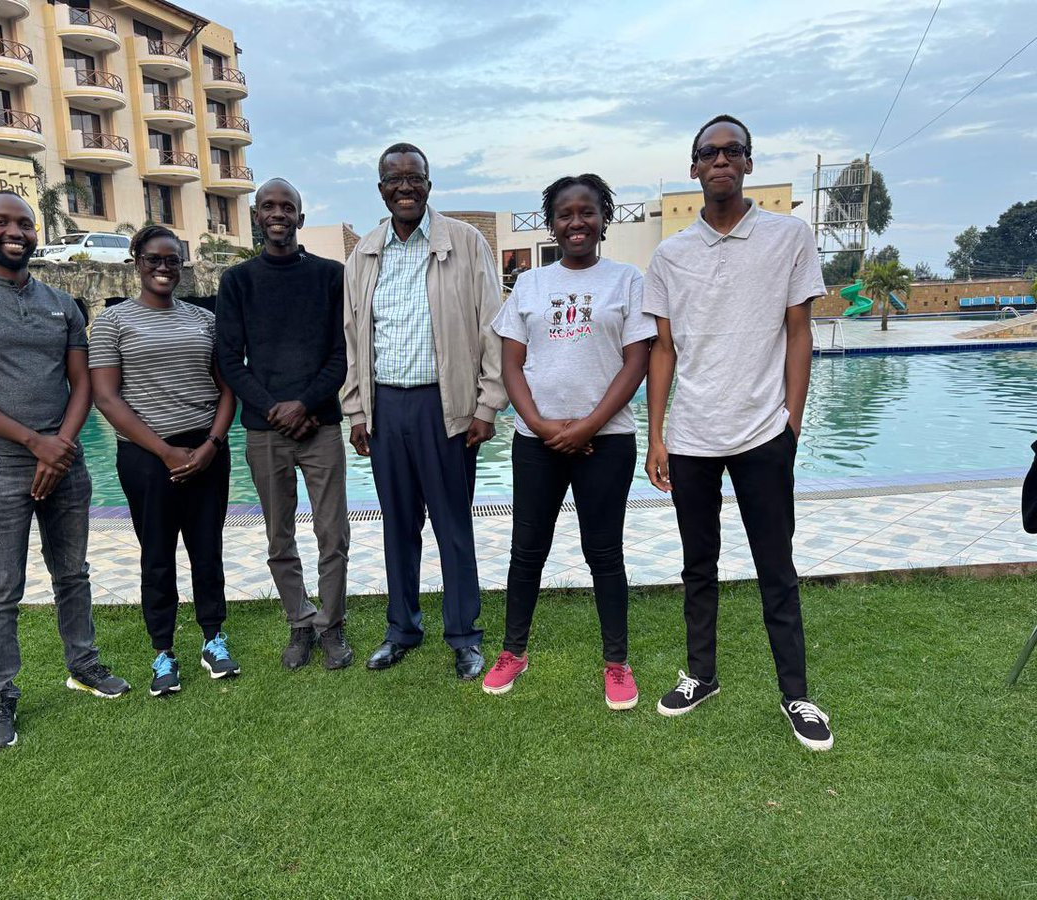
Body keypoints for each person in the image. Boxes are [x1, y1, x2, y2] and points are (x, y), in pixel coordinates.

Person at [644, 115, 833, 750]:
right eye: (709, 152)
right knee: (698, 565)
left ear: (748, 163)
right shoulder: (670, 254)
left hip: (763, 433)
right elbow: (663, 350)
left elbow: (799, 333)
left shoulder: (789, 237)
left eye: (732, 151)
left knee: (776, 566)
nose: (720, 160)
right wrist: (656, 436)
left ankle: (796, 694)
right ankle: (701, 675)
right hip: (691, 436)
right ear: (694, 167)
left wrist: (792, 423)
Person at [0, 190, 129, 752]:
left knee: (73, 573)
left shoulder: (61, 303)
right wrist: (33, 443)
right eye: (2, 222)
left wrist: (60, 445)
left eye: (24, 223)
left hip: (64, 460)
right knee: (2, 586)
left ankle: (83, 665)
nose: (15, 232)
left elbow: (82, 382)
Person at [482, 174, 656, 709]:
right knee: (527, 550)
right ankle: (513, 652)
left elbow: (637, 361)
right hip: (537, 441)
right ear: (551, 223)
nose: (576, 222)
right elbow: (511, 364)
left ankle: (616, 662)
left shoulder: (627, 280)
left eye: (587, 212)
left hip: (607, 441)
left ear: (604, 219)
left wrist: (588, 425)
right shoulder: (530, 284)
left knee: (604, 551)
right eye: (565, 214)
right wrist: (539, 425)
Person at [343, 142, 507, 679]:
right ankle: (402, 629)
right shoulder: (365, 254)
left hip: (447, 405)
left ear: (429, 184)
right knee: (398, 525)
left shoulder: (464, 242)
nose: (406, 187)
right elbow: (353, 338)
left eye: (415, 178)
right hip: (386, 406)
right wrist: (357, 411)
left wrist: (487, 403)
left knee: (452, 525)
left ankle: (463, 635)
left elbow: (492, 325)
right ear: (381, 189)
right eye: (395, 179)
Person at [89, 225, 238, 696]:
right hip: (147, 456)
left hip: (206, 450)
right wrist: (164, 450)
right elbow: (106, 397)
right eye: (154, 258)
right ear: (137, 261)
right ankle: (163, 650)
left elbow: (227, 388)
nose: (163, 267)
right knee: (157, 555)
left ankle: (213, 638)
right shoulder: (113, 322)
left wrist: (212, 444)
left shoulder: (204, 320)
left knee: (207, 548)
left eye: (172, 259)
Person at [216, 179, 352, 671]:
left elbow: (343, 351)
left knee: (333, 534)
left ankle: (331, 624)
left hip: (321, 426)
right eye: (268, 206)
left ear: (300, 216)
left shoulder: (330, 276)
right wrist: (274, 407)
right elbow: (229, 358)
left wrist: (306, 403)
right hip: (264, 429)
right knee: (279, 536)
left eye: (287, 207)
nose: (278, 214)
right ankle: (299, 621)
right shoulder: (238, 281)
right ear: (257, 216)